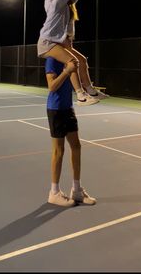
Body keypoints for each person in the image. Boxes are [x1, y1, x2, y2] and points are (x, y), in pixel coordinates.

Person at [37, 0, 100, 106]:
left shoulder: (66, 5)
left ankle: (90, 90)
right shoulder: (57, 5)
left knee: (82, 60)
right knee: (72, 62)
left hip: (57, 42)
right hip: (47, 43)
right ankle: (80, 96)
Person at [45, 56, 97, 207]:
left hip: (68, 109)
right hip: (55, 109)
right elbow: (51, 86)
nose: (71, 43)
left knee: (76, 146)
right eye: (68, 40)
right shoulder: (52, 60)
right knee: (58, 151)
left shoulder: (70, 58)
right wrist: (66, 71)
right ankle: (54, 193)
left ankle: (77, 190)